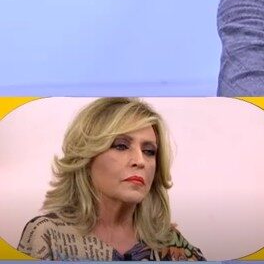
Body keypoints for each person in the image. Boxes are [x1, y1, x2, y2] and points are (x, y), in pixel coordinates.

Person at [17, 98, 205, 261]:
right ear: (86, 157)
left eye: (149, 151)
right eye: (121, 146)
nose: (140, 161)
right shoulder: (48, 235)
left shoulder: (171, 244)